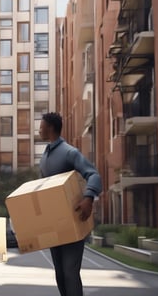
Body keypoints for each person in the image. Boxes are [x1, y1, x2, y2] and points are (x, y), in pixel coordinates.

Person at [39, 112, 102, 296]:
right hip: (54, 224)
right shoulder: (46, 155)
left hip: (73, 221)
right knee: (59, 273)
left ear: (50, 128)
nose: (39, 129)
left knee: (70, 272)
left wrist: (88, 198)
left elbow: (94, 175)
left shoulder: (69, 152)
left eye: (41, 126)